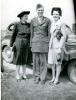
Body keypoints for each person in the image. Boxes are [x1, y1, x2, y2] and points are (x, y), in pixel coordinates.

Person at [30, 4, 51, 84]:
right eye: (39, 10)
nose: (40, 11)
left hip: (44, 44)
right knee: (35, 62)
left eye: (41, 10)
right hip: (35, 43)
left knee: (43, 62)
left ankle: (42, 78)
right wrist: (31, 44)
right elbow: (31, 33)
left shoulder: (48, 20)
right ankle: (36, 77)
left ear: (43, 11)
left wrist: (48, 43)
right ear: (36, 11)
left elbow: (49, 33)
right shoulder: (33, 20)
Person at [48, 7, 67, 84]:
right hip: (52, 46)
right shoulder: (52, 23)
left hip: (58, 47)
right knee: (52, 63)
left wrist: (60, 47)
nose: (55, 15)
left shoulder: (61, 23)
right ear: (52, 14)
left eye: (57, 14)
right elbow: (52, 35)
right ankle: (53, 77)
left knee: (58, 64)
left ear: (60, 15)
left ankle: (56, 79)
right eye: (54, 14)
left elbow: (64, 36)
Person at [10, 11, 30, 80]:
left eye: (27, 16)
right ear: (21, 17)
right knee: (18, 58)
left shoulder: (28, 25)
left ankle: (24, 74)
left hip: (26, 43)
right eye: (25, 16)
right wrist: (11, 44)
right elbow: (13, 35)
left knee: (25, 58)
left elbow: (30, 35)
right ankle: (17, 74)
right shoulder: (17, 24)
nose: (26, 17)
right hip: (19, 42)